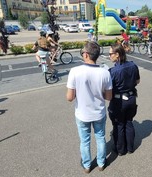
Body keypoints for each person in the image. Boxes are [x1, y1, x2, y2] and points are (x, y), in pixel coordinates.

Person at [66, 41, 112, 174]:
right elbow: (108, 97)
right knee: (100, 137)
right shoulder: (105, 72)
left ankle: (87, 166)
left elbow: (69, 97)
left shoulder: (75, 71)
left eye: (82, 53)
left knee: (85, 141)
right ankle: (101, 163)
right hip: (99, 113)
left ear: (86, 54)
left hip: (82, 114)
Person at [107, 43, 140, 156]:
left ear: (117, 54)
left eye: (110, 54)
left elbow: (108, 89)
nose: (109, 56)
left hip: (119, 101)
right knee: (129, 122)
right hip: (131, 98)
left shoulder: (112, 71)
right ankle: (130, 147)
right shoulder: (133, 65)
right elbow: (137, 81)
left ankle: (120, 149)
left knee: (119, 124)